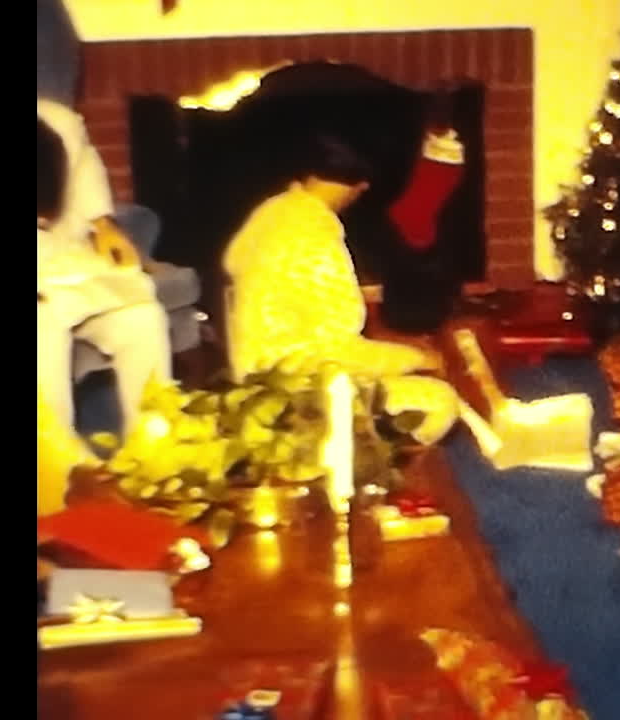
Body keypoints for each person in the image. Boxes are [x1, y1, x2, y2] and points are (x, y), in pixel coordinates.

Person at [223, 136, 461, 445]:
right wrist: (415, 359)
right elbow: (337, 351)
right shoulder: (316, 234)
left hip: (251, 379)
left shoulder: (271, 212)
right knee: (441, 401)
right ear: (359, 185)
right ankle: (371, 468)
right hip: (296, 394)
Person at [38, 99, 174, 513]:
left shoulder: (55, 119)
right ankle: (61, 471)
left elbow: (82, 174)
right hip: (45, 302)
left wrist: (104, 226)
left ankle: (154, 456)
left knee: (141, 315)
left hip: (60, 260)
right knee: (43, 322)